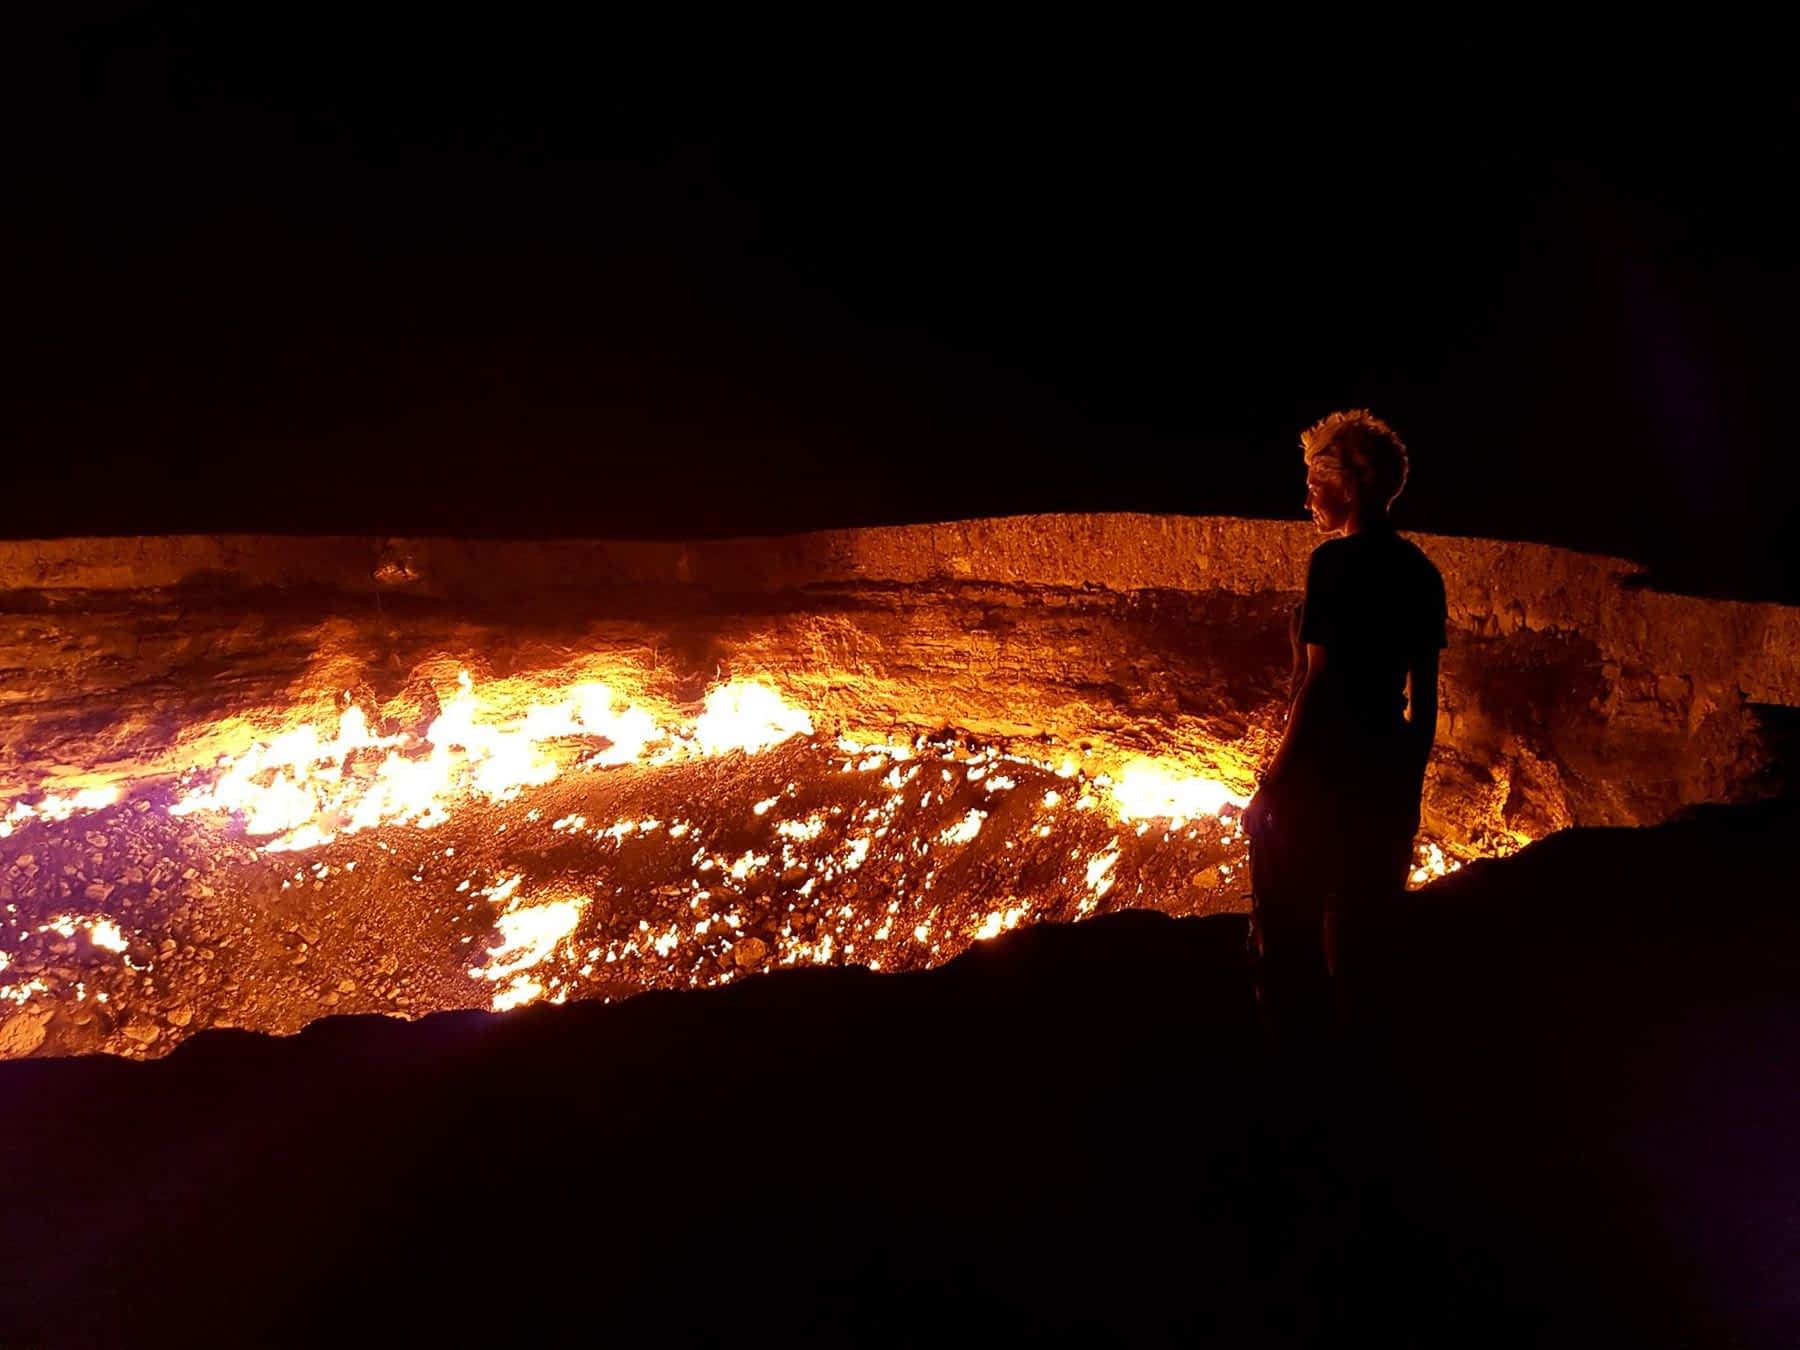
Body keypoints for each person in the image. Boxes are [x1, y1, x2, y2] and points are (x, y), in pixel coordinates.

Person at [1243, 410, 1447, 1038]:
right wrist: (1407, 787)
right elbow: (1426, 698)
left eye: (1316, 482)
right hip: (1384, 768)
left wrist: (1272, 784)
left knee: (1285, 930)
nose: (1307, 497)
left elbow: (1320, 683)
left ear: (1352, 486)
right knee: (1362, 933)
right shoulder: (1421, 572)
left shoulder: (1333, 564)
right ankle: (1363, 1065)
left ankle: (1296, 1065)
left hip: (1323, 771)